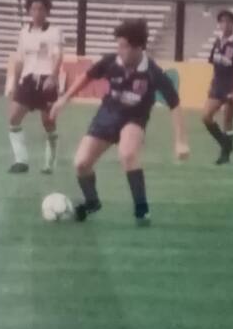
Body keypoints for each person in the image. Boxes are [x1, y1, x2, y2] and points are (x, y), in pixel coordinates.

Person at [50, 19, 190, 225]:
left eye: (124, 46)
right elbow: (87, 76)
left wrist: (180, 141)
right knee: (81, 163)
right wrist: (64, 99)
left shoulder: (152, 72)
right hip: (107, 115)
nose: (120, 50)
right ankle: (92, 202)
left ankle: (141, 210)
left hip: (134, 118)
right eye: (119, 45)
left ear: (138, 47)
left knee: (128, 153)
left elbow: (174, 104)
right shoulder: (110, 62)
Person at [6, 0, 64, 174]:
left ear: (47, 11)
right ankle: (21, 161)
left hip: (46, 80)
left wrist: (53, 77)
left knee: (48, 122)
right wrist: (15, 83)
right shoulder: (24, 32)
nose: (37, 13)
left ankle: (50, 163)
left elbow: (58, 56)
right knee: (14, 118)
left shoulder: (54, 32)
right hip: (27, 80)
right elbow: (19, 59)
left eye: (41, 9)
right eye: (34, 9)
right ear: (29, 11)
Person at [202, 10, 233, 165]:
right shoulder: (217, 41)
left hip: (232, 86)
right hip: (218, 86)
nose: (225, 24)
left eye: (228, 21)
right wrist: (212, 83)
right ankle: (226, 144)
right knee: (206, 116)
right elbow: (215, 65)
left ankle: (225, 155)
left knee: (227, 120)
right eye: (222, 21)